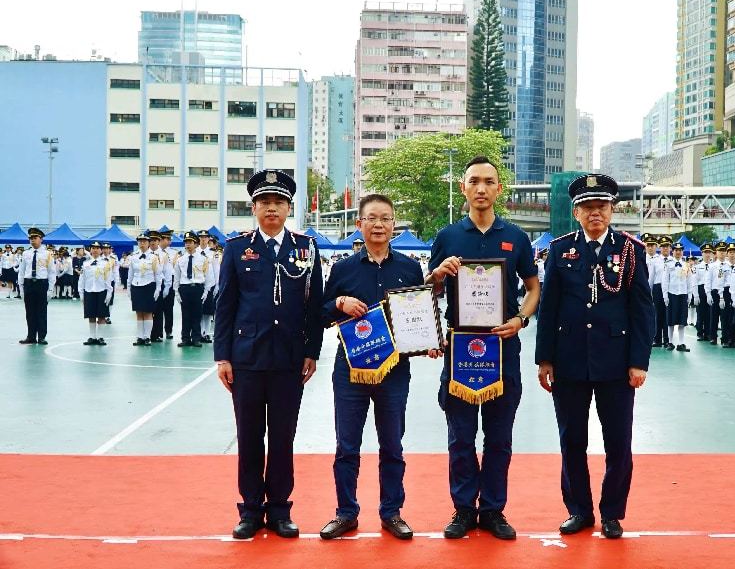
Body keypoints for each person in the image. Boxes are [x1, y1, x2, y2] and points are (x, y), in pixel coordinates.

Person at [426, 155, 540, 540]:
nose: (481, 188)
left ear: (499, 189)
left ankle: (492, 510)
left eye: (488, 182)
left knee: (499, 436)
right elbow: (430, 292)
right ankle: (462, 510)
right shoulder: (447, 237)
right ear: (464, 187)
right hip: (460, 347)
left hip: (503, 346)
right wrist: (438, 274)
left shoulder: (517, 237)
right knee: (460, 436)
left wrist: (520, 320)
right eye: (473, 181)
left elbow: (533, 287)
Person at [536, 173, 655, 539]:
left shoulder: (631, 250)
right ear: (576, 212)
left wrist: (639, 361)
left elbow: (643, 309)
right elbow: (549, 307)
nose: (595, 213)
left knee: (618, 441)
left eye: (601, 206)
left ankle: (612, 513)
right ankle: (579, 510)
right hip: (570, 360)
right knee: (572, 440)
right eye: (587, 207)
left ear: (612, 209)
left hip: (617, 363)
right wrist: (545, 359)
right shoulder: (560, 249)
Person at [214, 169, 324, 540]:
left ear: (289, 207)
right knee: (248, 436)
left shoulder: (305, 248)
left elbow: (314, 307)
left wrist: (312, 351)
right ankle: (250, 509)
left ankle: (279, 509)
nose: (271, 209)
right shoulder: (235, 248)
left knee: (282, 436)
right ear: (254, 208)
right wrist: (222, 357)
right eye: (265, 202)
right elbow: (225, 305)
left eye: (278, 202)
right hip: (246, 359)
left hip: (290, 360)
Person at [318, 193, 425, 541]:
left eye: (386, 218)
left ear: (394, 225)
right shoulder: (343, 269)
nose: (379, 225)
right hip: (350, 369)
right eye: (372, 218)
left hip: (395, 372)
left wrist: (427, 344)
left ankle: (391, 512)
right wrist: (339, 302)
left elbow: (418, 317)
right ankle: (346, 512)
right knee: (347, 446)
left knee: (392, 445)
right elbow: (319, 315)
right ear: (359, 224)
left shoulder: (409, 268)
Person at [172, 231, 214, 347]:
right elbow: (177, 277)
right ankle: (185, 338)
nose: (188, 245)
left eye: (190, 242)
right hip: (185, 289)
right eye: (186, 242)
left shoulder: (203, 259)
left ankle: (196, 338)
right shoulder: (180, 259)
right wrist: (176, 291)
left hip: (197, 288)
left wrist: (206, 291)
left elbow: (208, 276)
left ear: (196, 244)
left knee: (197, 314)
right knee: (185, 315)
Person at [18, 228, 56, 345]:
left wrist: (50, 289)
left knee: (41, 312)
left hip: (41, 284)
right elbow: (22, 271)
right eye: (30, 238)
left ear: (41, 239)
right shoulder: (26, 253)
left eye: (35, 238)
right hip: (29, 283)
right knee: (30, 312)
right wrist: (21, 288)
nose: (32, 240)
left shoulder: (47, 254)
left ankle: (42, 337)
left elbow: (51, 272)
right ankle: (31, 336)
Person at [129, 233, 161, 346]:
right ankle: (140, 337)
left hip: (149, 286)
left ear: (148, 243)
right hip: (136, 286)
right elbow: (131, 274)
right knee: (138, 313)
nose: (142, 243)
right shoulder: (133, 257)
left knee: (147, 313)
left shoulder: (153, 257)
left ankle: (147, 337)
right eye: (140, 241)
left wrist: (158, 288)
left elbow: (158, 274)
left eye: (144, 241)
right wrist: (129, 289)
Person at [78, 241, 113, 346]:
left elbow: (109, 279)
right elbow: (82, 279)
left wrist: (109, 293)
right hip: (89, 291)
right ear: (90, 250)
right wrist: (81, 293)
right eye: (93, 248)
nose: (95, 250)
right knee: (91, 315)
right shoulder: (85, 264)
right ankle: (92, 337)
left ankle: (101, 337)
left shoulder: (106, 264)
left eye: (98, 248)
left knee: (102, 315)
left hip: (102, 291)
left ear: (101, 250)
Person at [664, 243, 694, 352]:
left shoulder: (686, 265)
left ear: (682, 252)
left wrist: (690, 295)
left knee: (682, 321)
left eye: (680, 250)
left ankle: (681, 343)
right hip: (672, 294)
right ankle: (670, 342)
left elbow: (689, 281)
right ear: (673, 251)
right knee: (671, 320)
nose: (678, 252)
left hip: (683, 294)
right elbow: (665, 281)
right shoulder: (668, 264)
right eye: (676, 250)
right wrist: (665, 295)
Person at [149, 230, 173, 342]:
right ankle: (146, 334)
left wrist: (167, 287)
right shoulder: (145, 254)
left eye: (155, 240)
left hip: (160, 284)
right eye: (151, 240)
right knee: (147, 310)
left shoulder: (164, 255)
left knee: (158, 311)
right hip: (147, 284)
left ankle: (157, 334)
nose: (152, 242)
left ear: (159, 241)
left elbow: (167, 272)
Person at [159, 230, 178, 340]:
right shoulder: (155, 252)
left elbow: (175, 269)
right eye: (167, 239)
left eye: (169, 239)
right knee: (157, 309)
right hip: (157, 280)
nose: (169, 241)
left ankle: (168, 330)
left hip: (170, 280)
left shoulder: (174, 253)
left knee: (168, 308)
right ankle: (158, 331)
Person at [694, 244, 713, 342]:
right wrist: (696, 295)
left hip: (710, 290)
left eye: (709, 252)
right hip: (701, 289)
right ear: (702, 253)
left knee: (710, 313)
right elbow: (694, 281)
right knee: (700, 313)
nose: (707, 254)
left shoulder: (714, 266)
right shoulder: (697, 267)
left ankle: (708, 333)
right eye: (705, 252)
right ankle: (700, 333)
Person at [102, 243, 120, 324]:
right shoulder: (98, 259)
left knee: (110, 300)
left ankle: (108, 316)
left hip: (110, 281)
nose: (105, 250)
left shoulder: (113, 259)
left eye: (107, 248)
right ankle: (101, 315)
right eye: (104, 248)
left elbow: (115, 270)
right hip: (101, 282)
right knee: (101, 299)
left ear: (110, 249)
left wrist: (117, 281)